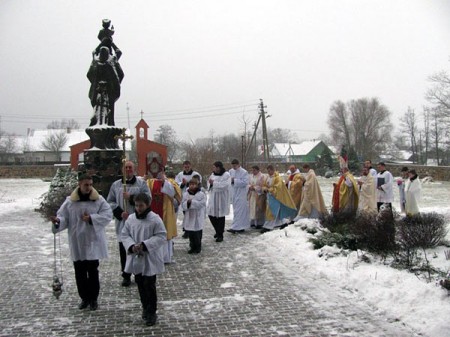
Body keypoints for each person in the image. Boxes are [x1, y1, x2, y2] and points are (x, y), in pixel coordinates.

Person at [50, 174, 112, 311]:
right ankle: (84, 298)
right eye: (86, 185)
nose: (88, 187)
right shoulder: (70, 201)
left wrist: (91, 218)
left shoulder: (98, 200)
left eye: (90, 184)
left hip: (92, 241)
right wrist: (58, 222)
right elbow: (63, 217)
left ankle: (94, 299)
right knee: (80, 272)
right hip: (77, 240)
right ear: (79, 184)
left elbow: (108, 215)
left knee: (93, 271)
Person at [120, 193, 166, 326]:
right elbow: (125, 234)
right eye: (136, 205)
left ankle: (152, 312)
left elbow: (161, 236)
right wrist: (131, 246)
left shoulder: (155, 219)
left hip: (150, 257)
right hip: (136, 256)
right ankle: (145, 307)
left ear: (147, 205)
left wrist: (145, 245)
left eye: (141, 205)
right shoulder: (131, 219)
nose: (138, 208)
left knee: (149, 285)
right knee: (140, 283)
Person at [107, 161, 152, 287]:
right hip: (123, 222)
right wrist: (119, 212)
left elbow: (148, 199)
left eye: (130, 167)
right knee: (124, 249)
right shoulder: (116, 185)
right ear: (123, 170)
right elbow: (109, 201)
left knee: (139, 247)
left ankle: (141, 273)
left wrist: (131, 198)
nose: (128, 170)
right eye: (126, 168)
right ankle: (126, 274)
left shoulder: (141, 184)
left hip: (138, 221)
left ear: (134, 169)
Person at [147, 168, 179, 264]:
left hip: (166, 213)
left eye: (161, 171)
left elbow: (174, 195)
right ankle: (152, 256)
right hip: (153, 212)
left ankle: (166, 258)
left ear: (163, 172)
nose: (159, 173)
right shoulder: (149, 182)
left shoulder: (170, 182)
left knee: (165, 234)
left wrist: (164, 182)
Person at [261, 165, 297, 233]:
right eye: (267, 171)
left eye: (269, 171)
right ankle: (282, 223)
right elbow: (264, 185)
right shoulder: (267, 177)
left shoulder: (277, 178)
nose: (268, 172)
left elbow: (278, 188)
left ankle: (267, 226)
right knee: (275, 212)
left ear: (272, 170)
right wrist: (264, 189)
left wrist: (269, 190)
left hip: (276, 197)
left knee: (271, 212)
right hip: (269, 197)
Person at [175, 160, 202, 238]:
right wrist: (182, 184)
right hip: (184, 196)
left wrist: (187, 183)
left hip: (193, 196)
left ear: (191, 166)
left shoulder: (196, 174)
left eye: (188, 166)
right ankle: (187, 230)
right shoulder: (180, 174)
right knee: (185, 214)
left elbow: (198, 184)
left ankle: (191, 230)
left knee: (191, 215)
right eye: (185, 167)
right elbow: (176, 184)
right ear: (183, 167)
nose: (186, 168)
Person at [207, 161, 231, 242]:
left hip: (221, 197)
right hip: (213, 197)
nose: (213, 169)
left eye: (215, 167)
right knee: (211, 215)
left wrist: (214, 183)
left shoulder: (226, 175)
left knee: (220, 216)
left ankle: (220, 235)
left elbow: (225, 185)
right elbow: (208, 183)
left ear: (219, 167)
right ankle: (218, 230)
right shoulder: (213, 174)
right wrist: (210, 184)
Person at [181, 177, 207, 254]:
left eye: (194, 184)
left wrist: (192, 202)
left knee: (197, 233)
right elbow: (183, 204)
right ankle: (192, 247)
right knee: (191, 234)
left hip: (198, 215)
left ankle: (198, 247)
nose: (192, 186)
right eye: (190, 184)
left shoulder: (201, 194)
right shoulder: (186, 194)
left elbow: (202, 204)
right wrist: (188, 203)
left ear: (197, 185)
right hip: (189, 216)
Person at [228, 159, 250, 233]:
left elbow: (245, 182)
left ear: (238, 164)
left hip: (241, 194)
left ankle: (238, 227)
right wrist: (231, 181)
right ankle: (237, 226)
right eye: (233, 165)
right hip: (234, 193)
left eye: (235, 165)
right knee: (235, 210)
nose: (234, 167)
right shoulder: (230, 171)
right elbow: (228, 180)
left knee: (240, 210)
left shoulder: (244, 172)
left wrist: (235, 180)